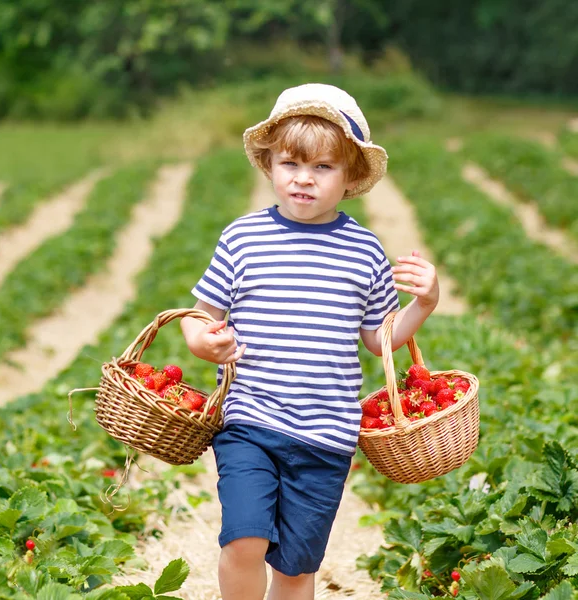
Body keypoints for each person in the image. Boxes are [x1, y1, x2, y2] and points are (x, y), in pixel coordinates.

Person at [180, 83, 439, 600]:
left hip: (326, 435)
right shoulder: (242, 238)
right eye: (289, 164)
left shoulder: (364, 250)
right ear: (269, 165)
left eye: (323, 167)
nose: (303, 178)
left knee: (298, 568)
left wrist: (424, 304)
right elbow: (200, 315)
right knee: (244, 542)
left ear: (350, 178)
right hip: (249, 421)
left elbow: (378, 339)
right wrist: (201, 342)